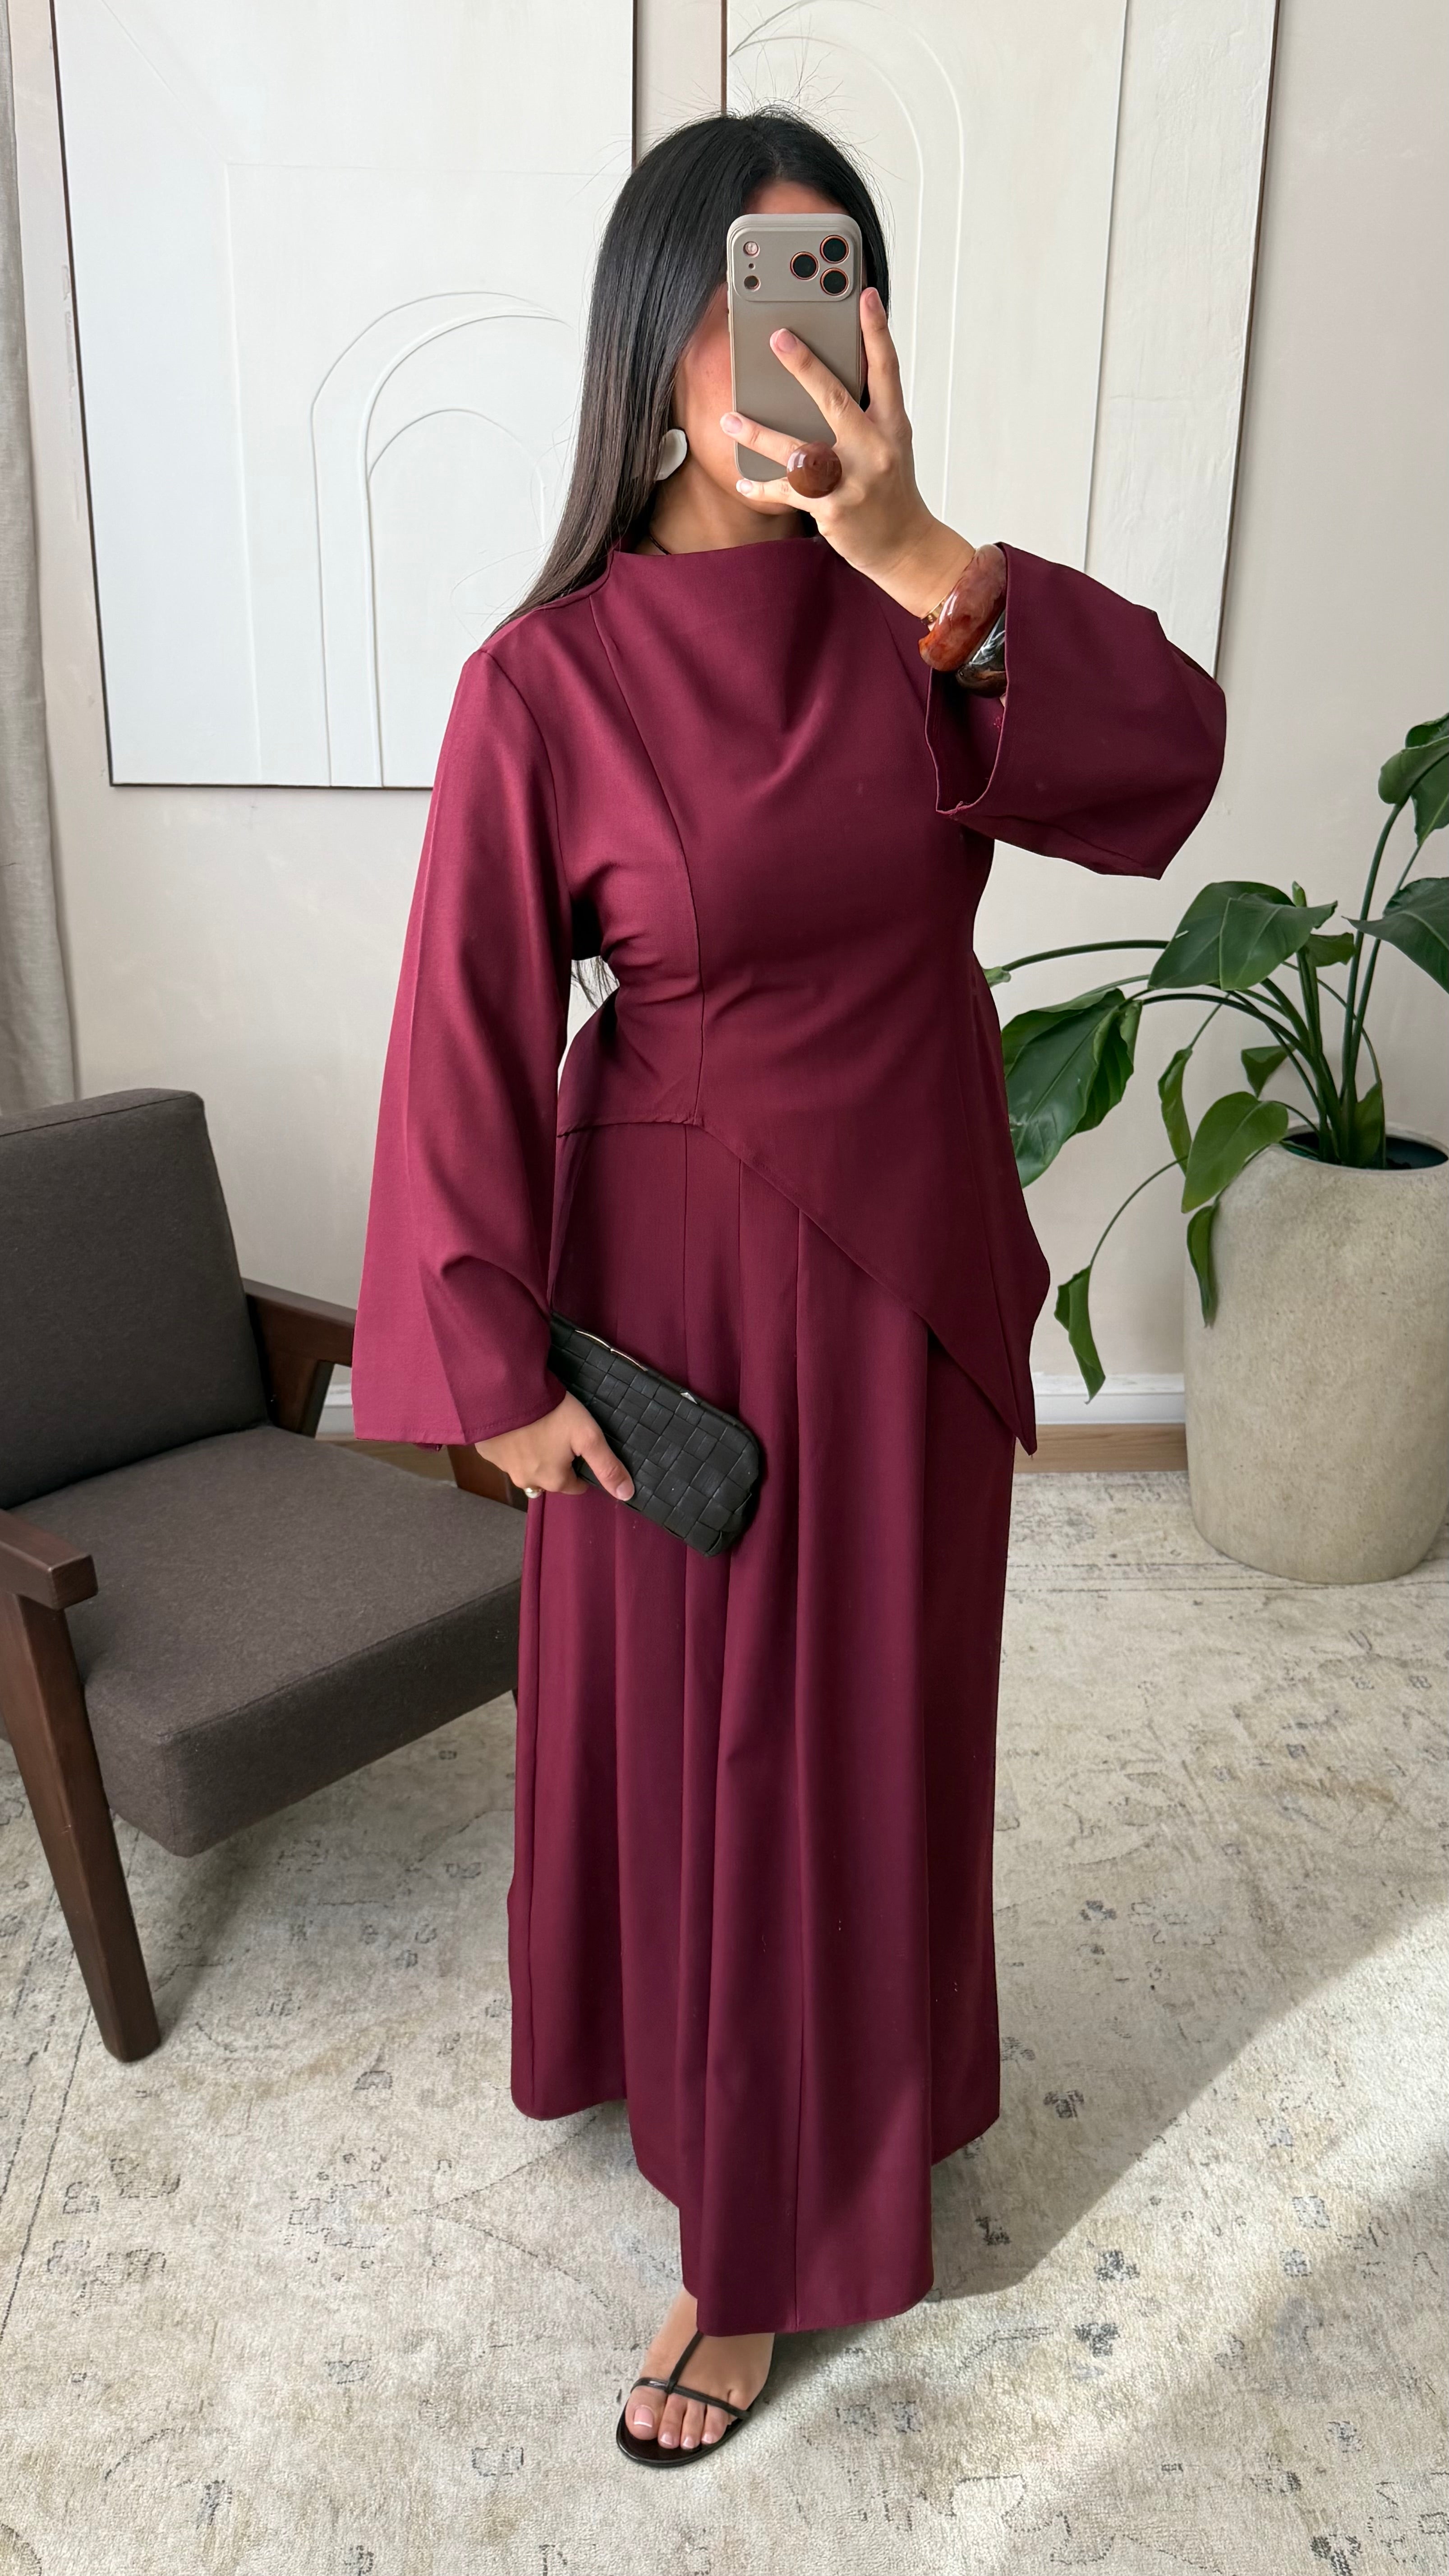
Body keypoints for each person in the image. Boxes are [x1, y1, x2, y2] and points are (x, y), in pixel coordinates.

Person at [350, 109, 1226, 2465]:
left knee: (879, 1732)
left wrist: (922, 544)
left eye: (837, 287)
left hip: (911, 1267)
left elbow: (1170, 762)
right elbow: (462, 1025)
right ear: (660, 336)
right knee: (720, 1754)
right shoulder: (542, 680)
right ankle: (742, 2246)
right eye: (753, 294)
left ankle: (867, 2100)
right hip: (683, 1304)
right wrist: (488, 1357)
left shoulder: (925, 627)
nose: (799, 347)